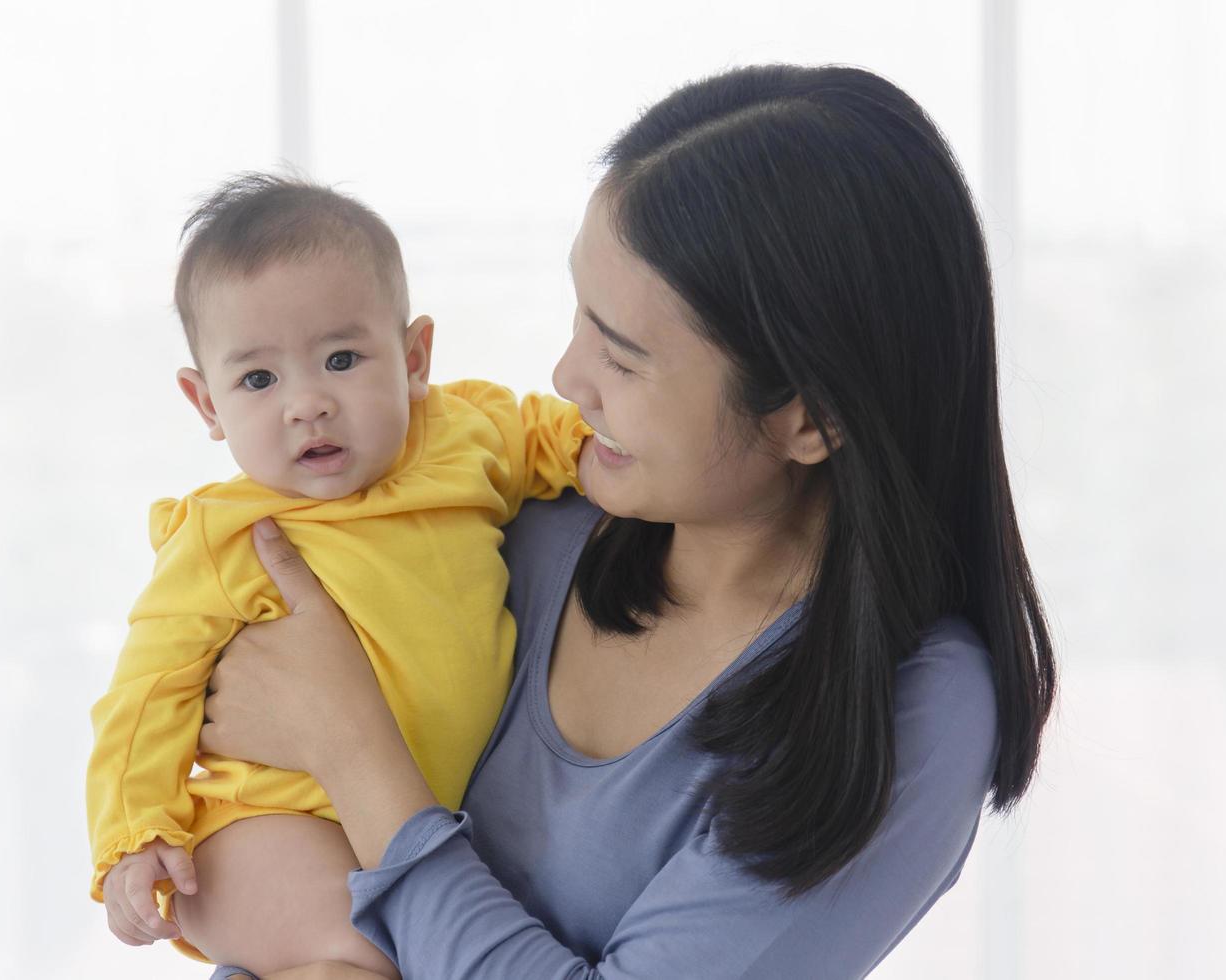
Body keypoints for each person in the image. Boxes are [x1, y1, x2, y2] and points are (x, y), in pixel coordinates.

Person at [198, 63, 1057, 980]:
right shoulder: (522, 522)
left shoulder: (903, 709)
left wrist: (351, 748)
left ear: (810, 418)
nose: (569, 378)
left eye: (625, 355)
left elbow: (325, 736)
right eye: (580, 315)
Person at [84, 174, 592, 976]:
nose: (307, 404)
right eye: (258, 380)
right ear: (206, 404)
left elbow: (563, 437)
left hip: (407, 821)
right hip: (263, 829)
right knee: (369, 953)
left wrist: (609, 452)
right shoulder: (226, 535)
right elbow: (146, 695)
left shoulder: (467, 435)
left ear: (415, 356)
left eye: (343, 358)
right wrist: (131, 835)